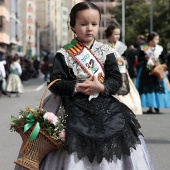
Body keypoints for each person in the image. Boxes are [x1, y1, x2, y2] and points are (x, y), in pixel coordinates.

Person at [15, 2, 153, 170]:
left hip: (105, 106)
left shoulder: (107, 52)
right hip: (71, 106)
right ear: (72, 26)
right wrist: (77, 87)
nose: (89, 28)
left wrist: (101, 87)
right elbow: (55, 82)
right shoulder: (64, 53)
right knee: (70, 140)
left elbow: (116, 80)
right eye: (83, 24)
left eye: (94, 24)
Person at [104, 24, 142, 115]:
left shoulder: (121, 46)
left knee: (125, 87)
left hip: (123, 72)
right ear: (109, 34)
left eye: (118, 34)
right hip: (110, 72)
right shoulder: (105, 47)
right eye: (115, 34)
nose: (117, 36)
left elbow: (127, 57)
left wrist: (125, 61)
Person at [136, 31, 170, 113]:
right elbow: (139, 59)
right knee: (148, 87)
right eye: (156, 39)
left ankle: (157, 105)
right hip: (146, 70)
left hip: (157, 70)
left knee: (158, 87)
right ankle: (150, 106)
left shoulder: (159, 48)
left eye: (158, 39)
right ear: (151, 40)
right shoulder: (144, 48)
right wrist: (145, 57)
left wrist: (164, 68)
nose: (157, 41)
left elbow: (164, 60)